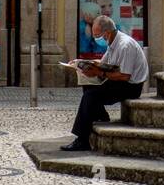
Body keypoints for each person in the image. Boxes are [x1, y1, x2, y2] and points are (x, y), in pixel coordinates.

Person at [64, 16, 149, 151]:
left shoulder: (124, 45)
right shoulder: (113, 42)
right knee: (88, 87)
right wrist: (80, 63)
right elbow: (103, 63)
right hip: (120, 80)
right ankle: (101, 116)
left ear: (107, 32)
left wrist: (98, 73)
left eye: (97, 35)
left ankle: (82, 139)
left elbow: (124, 76)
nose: (96, 38)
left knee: (90, 96)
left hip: (131, 86)